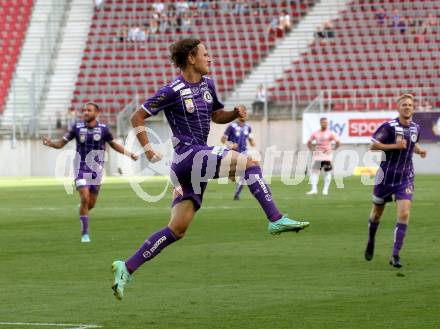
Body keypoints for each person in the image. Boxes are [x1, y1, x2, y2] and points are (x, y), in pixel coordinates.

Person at [111, 38, 310, 300]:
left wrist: (234, 113)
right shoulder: (172, 90)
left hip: (196, 160)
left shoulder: (208, 85)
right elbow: (136, 117)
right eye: (206, 54)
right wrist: (148, 150)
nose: (210, 58)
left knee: (177, 229)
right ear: (191, 59)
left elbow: (216, 115)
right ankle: (275, 218)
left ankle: (126, 267)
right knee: (249, 163)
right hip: (187, 154)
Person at [43, 102, 138, 243]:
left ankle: (83, 207)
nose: (85, 112)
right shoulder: (77, 127)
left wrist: (130, 154)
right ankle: (85, 234)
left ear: (96, 113)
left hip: (97, 171)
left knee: (90, 204)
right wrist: (51, 143)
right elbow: (61, 143)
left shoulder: (104, 129)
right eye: (84, 110)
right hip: (80, 168)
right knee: (85, 197)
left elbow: (114, 145)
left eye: (89, 110)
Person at [364, 94, 427, 268]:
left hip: (405, 177)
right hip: (385, 176)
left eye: (410, 105)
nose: (407, 107)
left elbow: (411, 144)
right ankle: (371, 240)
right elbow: (373, 145)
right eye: (404, 105)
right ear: (398, 108)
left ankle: (395, 255)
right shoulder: (389, 127)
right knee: (377, 214)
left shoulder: (416, 128)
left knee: (404, 214)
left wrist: (420, 150)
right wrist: (394, 146)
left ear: (413, 108)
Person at [220, 111, 256, 200]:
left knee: (245, 173)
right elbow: (222, 139)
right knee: (233, 177)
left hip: (243, 152)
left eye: (246, 114)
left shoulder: (248, 127)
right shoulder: (231, 126)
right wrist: (230, 144)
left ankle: (237, 194)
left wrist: (253, 142)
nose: (244, 116)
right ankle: (230, 175)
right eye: (243, 114)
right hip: (233, 153)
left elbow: (251, 139)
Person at [306, 117, 340, 196]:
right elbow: (309, 142)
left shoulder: (330, 133)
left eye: (326, 122)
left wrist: (332, 149)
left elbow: (338, 142)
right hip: (318, 156)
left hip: (327, 156)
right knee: (314, 172)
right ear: (320, 123)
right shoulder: (316, 133)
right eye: (323, 122)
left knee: (327, 172)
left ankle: (325, 190)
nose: (325, 124)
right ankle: (314, 189)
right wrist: (312, 150)